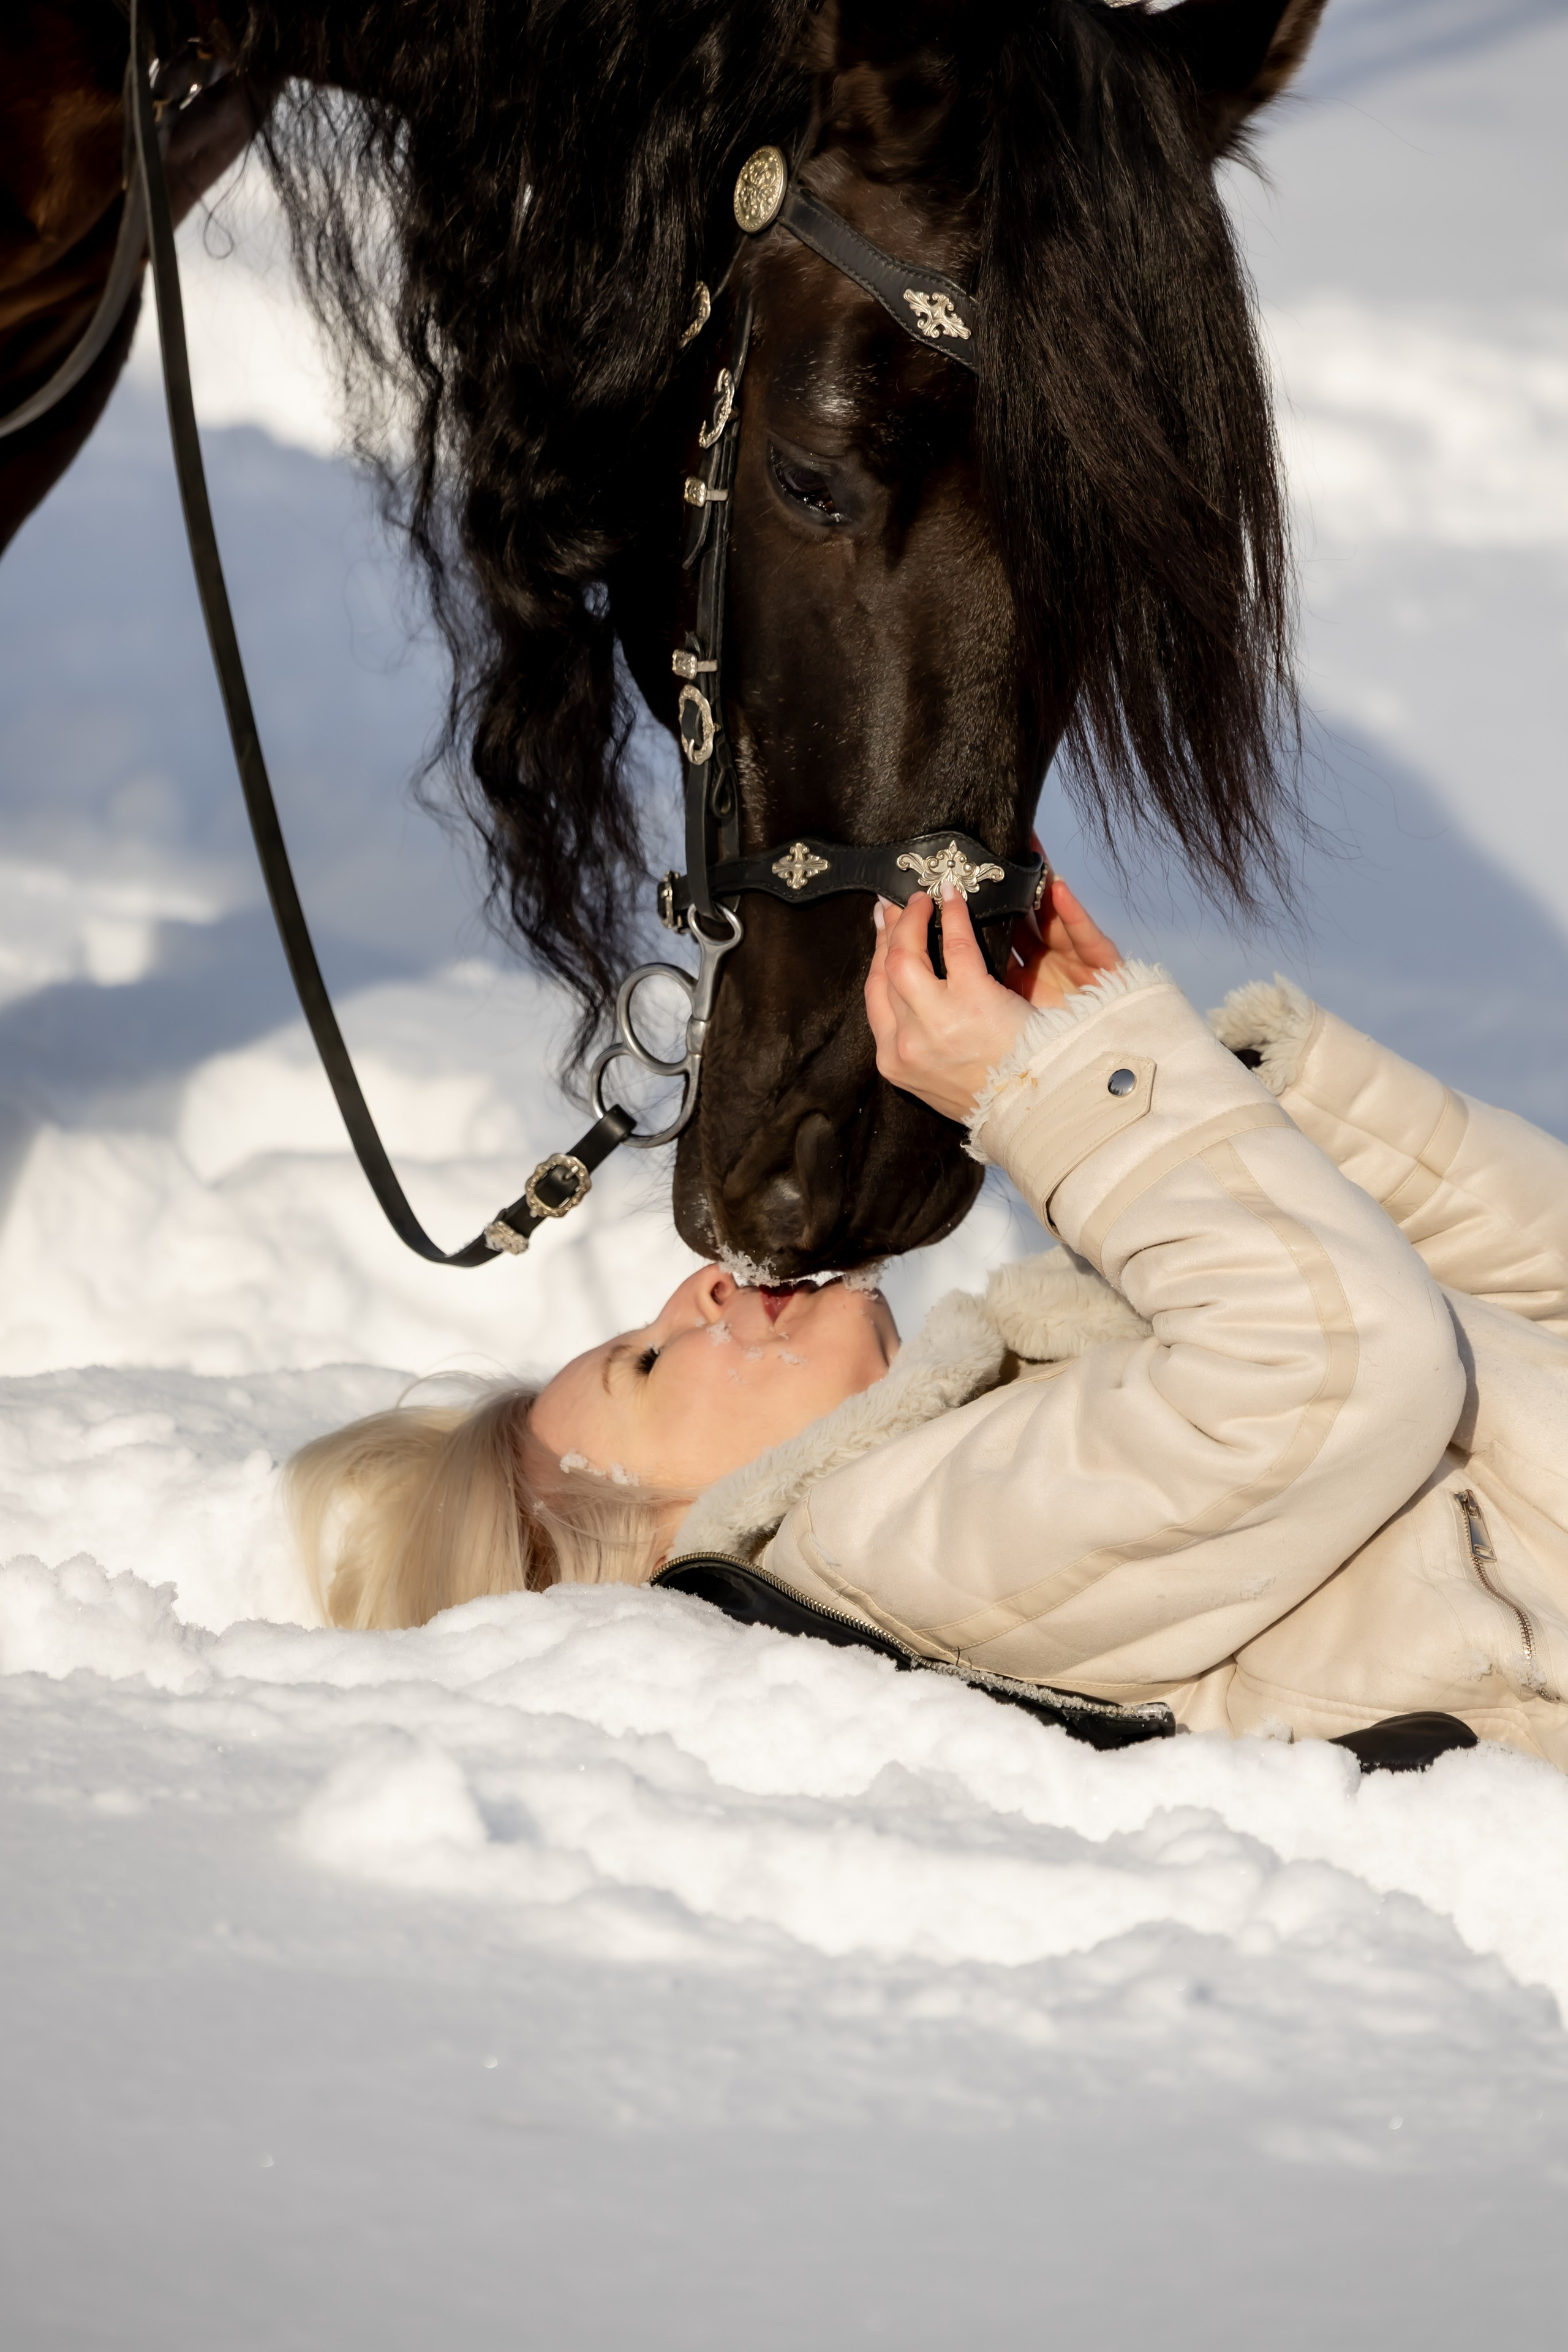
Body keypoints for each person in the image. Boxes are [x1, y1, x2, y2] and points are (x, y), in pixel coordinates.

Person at [288, 875, 1568, 1769]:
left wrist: (1185, 1089)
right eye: (647, 1365)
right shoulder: (884, 1549)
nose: (697, 1291)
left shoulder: (987, 1429)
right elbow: (1340, 1360)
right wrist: (1078, 1093)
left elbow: (1519, 1314)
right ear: (661, 1553)